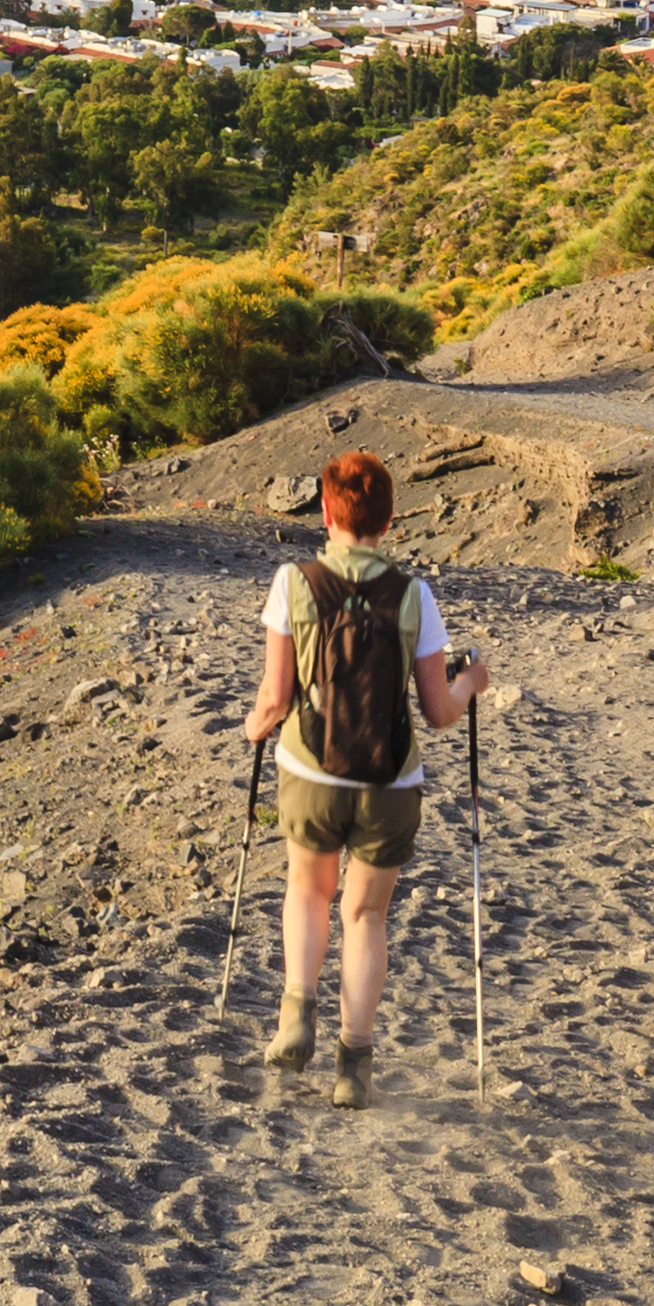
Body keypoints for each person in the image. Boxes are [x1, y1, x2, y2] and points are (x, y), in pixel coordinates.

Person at [241, 446, 489, 1107]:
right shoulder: (415, 596)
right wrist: (472, 681)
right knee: (365, 913)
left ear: (326, 512)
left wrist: (255, 726)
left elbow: (275, 697)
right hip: (390, 784)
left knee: (307, 890)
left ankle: (298, 1013)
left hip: (312, 773)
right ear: (390, 520)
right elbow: (439, 713)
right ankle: (353, 1065)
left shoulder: (292, 583)